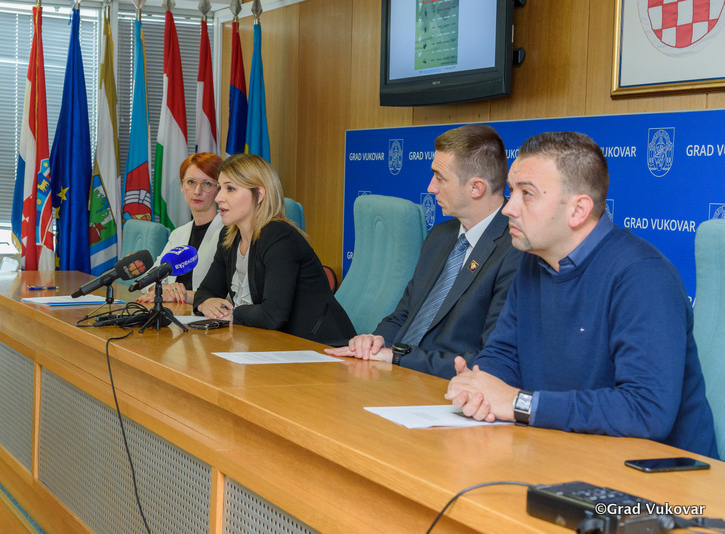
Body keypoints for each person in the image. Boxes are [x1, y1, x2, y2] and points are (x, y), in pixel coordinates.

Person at [445, 131, 718, 458]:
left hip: (661, 477)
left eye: (526, 194)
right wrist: (479, 387)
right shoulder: (534, 261)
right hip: (566, 452)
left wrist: (519, 403)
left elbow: (646, 411)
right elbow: (503, 354)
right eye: (511, 191)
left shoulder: (644, 276)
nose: (509, 208)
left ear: (578, 210)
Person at [325, 124, 522, 378]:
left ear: (476, 188)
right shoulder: (440, 236)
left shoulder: (516, 250)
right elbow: (404, 314)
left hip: (443, 384)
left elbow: (489, 360)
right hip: (394, 374)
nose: (431, 187)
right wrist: (376, 340)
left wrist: (398, 357)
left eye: (440, 178)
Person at [193, 153, 356, 344]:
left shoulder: (279, 237)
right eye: (220, 188)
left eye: (230, 188)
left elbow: (272, 315)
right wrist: (206, 303)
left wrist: (233, 313)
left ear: (259, 194)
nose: (219, 197)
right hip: (272, 343)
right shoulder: (229, 237)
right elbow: (205, 291)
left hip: (320, 346)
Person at [137, 153, 224, 304]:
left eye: (207, 183)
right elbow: (148, 280)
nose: (197, 191)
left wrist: (177, 294)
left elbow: (224, 294)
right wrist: (165, 290)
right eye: (191, 182)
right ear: (182, 187)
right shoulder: (179, 233)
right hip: (176, 311)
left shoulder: (229, 233)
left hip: (205, 315)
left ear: (219, 189)